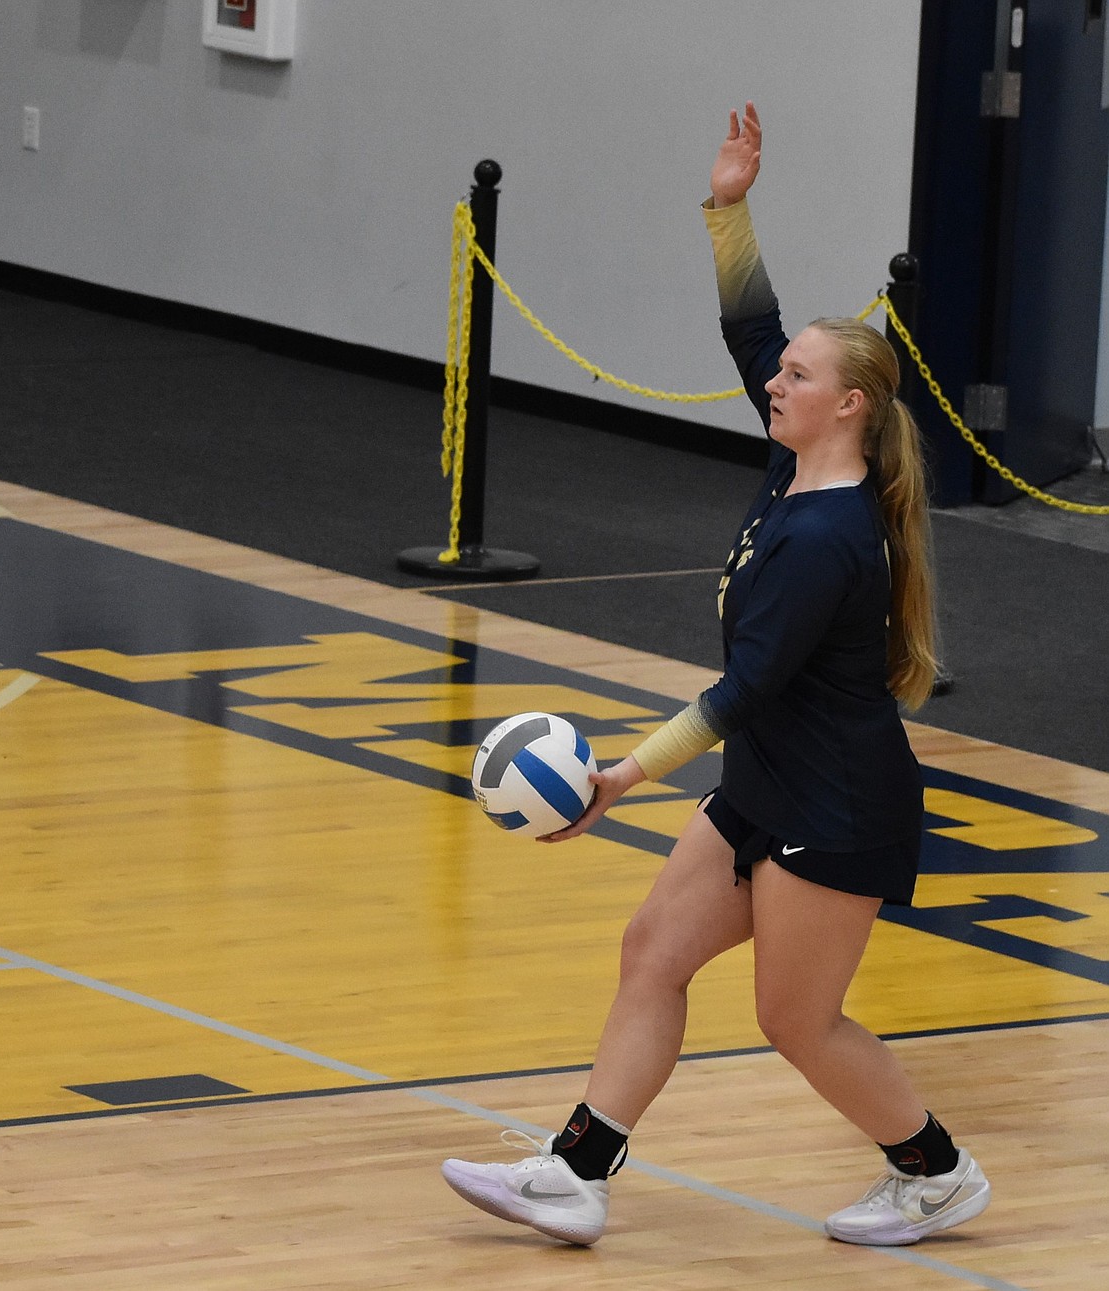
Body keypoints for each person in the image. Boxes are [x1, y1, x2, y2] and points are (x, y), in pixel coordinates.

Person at [441, 103, 991, 1250]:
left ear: (850, 405)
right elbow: (754, 333)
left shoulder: (827, 540)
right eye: (782, 375)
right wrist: (729, 210)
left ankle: (935, 1173)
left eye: (798, 378)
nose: (774, 385)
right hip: (772, 786)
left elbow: (740, 692)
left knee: (796, 1021)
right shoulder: (801, 466)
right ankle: (574, 1175)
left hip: (835, 807)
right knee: (654, 950)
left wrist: (615, 779)